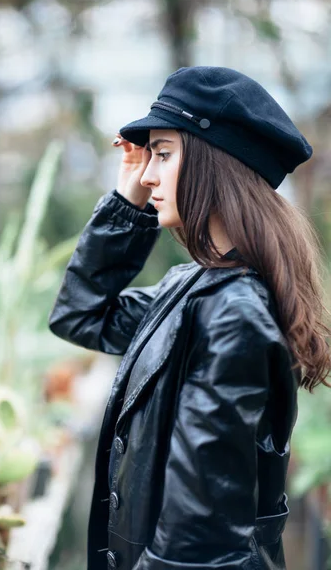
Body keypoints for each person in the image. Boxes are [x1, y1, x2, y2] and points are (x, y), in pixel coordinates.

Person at [48, 66, 331, 570]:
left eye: (163, 154)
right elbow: (83, 315)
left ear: (214, 164)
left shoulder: (234, 316)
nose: (147, 174)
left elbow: (197, 545)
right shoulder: (192, 287)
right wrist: (125, 205)